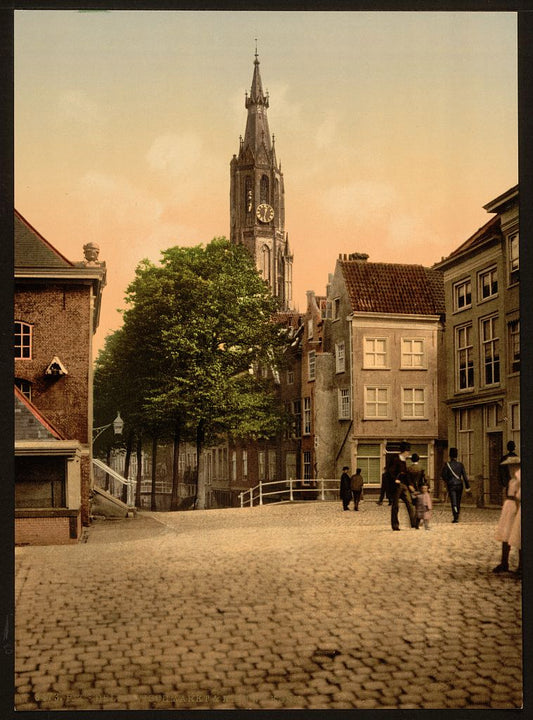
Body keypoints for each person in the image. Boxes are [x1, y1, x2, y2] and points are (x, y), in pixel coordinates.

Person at [493, 456, 521, 575]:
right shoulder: (511, 481)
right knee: (505, 533)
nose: (511, 469)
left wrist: (517, 508)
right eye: (509, 467)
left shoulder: (520, 480)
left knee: (517, 535)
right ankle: (504, 562)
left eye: (513, 467)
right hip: (508, 507)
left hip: (515, 507)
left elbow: (518, 497)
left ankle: (521, 565)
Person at [388, 442, 417, 531]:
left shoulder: (404, 461)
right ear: (404, 451)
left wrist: (410, 485)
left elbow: (406, 474)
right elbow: (389, 471)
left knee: (409, 503)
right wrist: (394, 480)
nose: (409, 454)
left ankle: (414, 523)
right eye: (408, 451)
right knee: (395, 506)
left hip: (404, 485)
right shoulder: (395, 459)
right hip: (396, 486)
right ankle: (395, 525)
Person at [441, 448, 471, 523]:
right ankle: (457, 515)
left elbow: (443, 475)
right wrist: (467, 486)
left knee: (453, 501)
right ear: (456, 455)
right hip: (459, 485)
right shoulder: (460, 465)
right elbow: (464, 476)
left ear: (450, 455)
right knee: (458, 501)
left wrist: (448, 481)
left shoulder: (447, 464)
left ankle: (455, 517)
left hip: (451, 485)